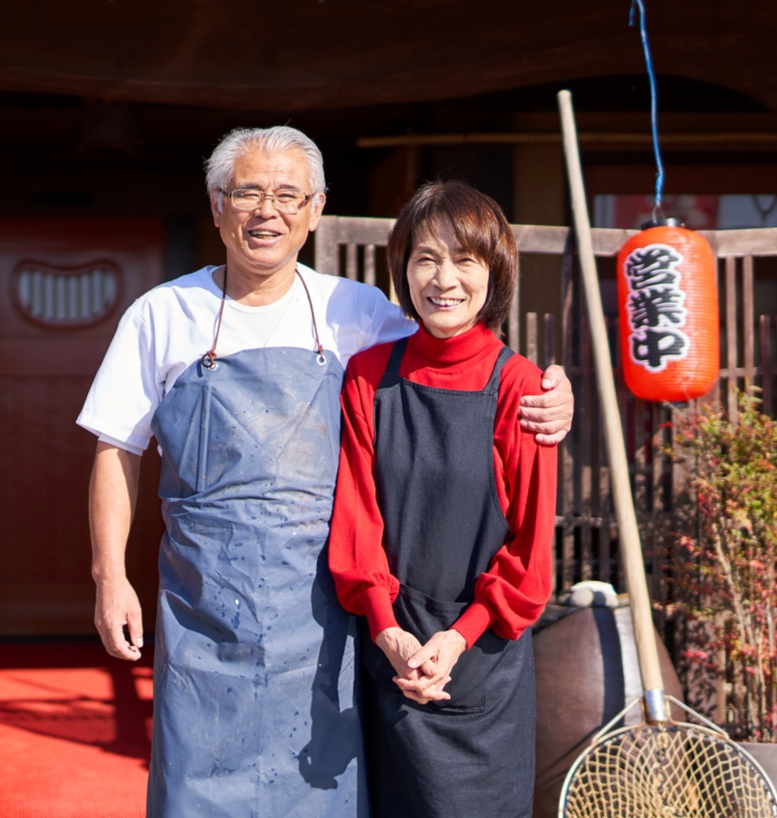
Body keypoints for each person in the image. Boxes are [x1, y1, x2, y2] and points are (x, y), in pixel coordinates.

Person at [76, 127, 571, 817]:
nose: (266, 211)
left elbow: (454, 356)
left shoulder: (356, 312)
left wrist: (552, 393)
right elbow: (113, 448)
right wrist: (110, 579)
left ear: (316, 210)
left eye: (287, 194)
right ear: (216, 206)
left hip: (327, 619)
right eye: (247, 192)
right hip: (202, 607)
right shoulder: (163, 314)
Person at [328, 180, 558, 817]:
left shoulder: (523, 387)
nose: (444, 278)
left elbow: (531, 554)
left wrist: (456, 640)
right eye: (426, 258)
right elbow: (356, 521)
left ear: (495, 272)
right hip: (391, 660)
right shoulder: (368, 376)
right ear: (404, 270)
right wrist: (387, 630)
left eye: (465, 260)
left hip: (480, 663)